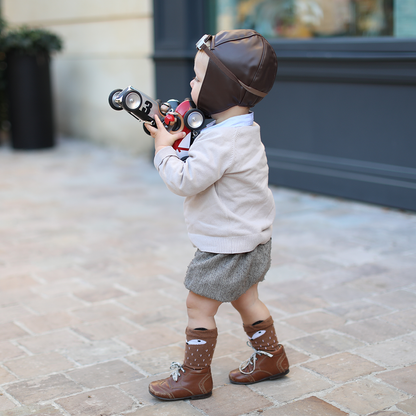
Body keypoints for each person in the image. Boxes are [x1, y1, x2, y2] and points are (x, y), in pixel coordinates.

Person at [145, 29, 289, 401]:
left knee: (197, 304)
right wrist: (177, 136)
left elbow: (185, 179)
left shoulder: (222, 140)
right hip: (252, 239)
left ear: (219, 87)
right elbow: (204, 151)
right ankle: (272, 356)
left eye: (197, 78)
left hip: (224, 246)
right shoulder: (237, 129)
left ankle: (195, 377)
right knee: (247, 299)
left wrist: (163, 149)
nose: (191, 83)